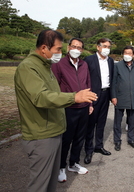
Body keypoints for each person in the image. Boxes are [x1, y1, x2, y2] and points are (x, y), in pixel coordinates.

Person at [14, 29, 97, 192]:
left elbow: (55, 93)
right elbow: (41, 97)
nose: (60, 52)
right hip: (41, 135)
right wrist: (74, 97)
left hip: (53, 130)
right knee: (40, 184)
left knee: (50, 183)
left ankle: (71, 164)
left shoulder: (46, 65)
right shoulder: (29, 68)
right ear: (44, 48)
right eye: (58, 49)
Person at [51, 38, 92, 182]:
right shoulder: (59, 64)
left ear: (82, 50)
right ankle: (61, 166)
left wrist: (90, 103)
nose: (76, 49)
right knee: (66, 139)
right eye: (74, 46)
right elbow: (54, 86)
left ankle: (73, 163)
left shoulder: (84, 64)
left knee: (79, 138)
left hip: (84, 107)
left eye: (79, 47)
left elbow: (88, 83)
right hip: (68, 107)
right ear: (68, 48)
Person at [83, 38, 114, 164]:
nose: (107, 49)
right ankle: (88, 150)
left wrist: (112, 96)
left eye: (109, 46)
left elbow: (112, 78)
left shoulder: (111, 61)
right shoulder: (89, 60)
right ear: (98, 47)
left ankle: (99, 146)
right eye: (104, 46)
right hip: (93, 95)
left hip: (106, 94)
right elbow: (84, 78)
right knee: (90, 124)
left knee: (101, 122)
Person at [111, 46, 134, 151]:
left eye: (129, 53)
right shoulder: (117, 66)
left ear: (133, 55)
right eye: (125, 53)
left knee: (131, 121)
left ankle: (131, 140)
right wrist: (113, 96)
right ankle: (117, 141)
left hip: (133, 97)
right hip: (120, 97)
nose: (127, 55)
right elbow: (113, 82)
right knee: (118, 122)